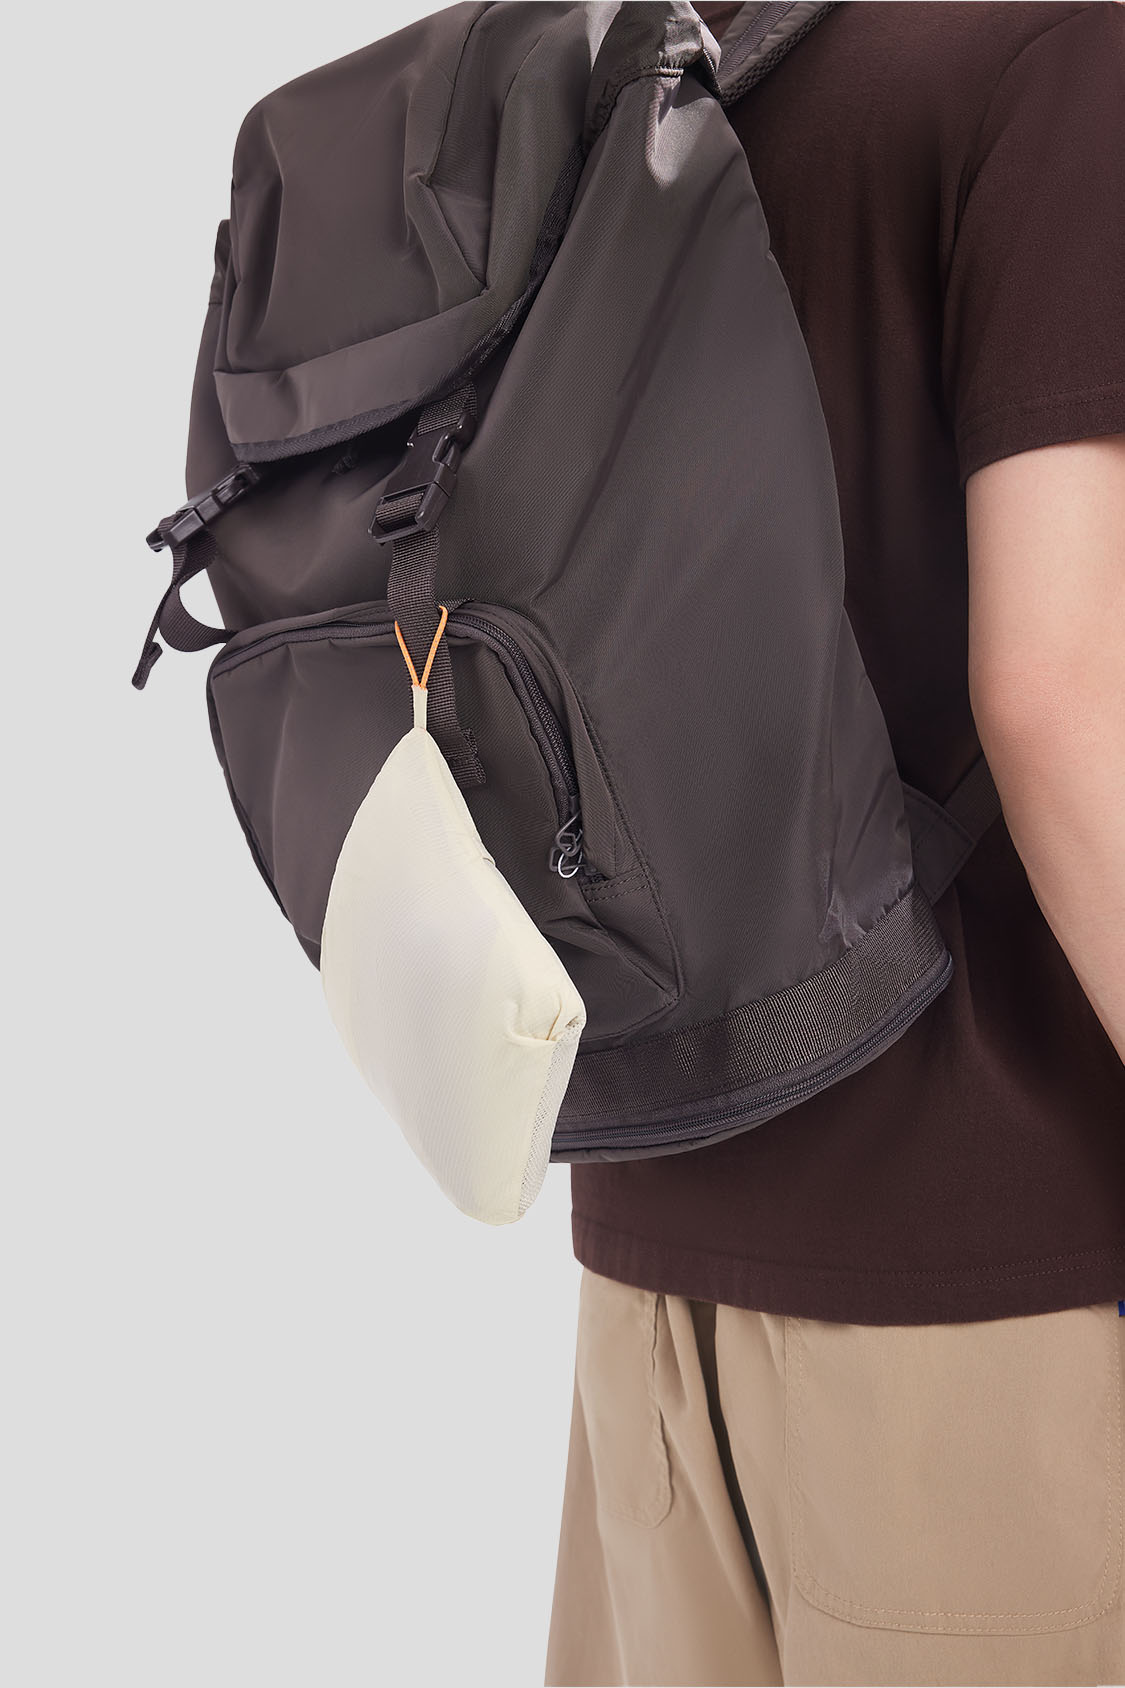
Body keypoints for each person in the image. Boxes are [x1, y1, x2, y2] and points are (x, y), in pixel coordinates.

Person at [543, 4, 1125, 1684]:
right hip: (989, 1301)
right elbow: (1056, 693)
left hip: (655, 1274)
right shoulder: (1061, 48)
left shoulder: (668, 43)